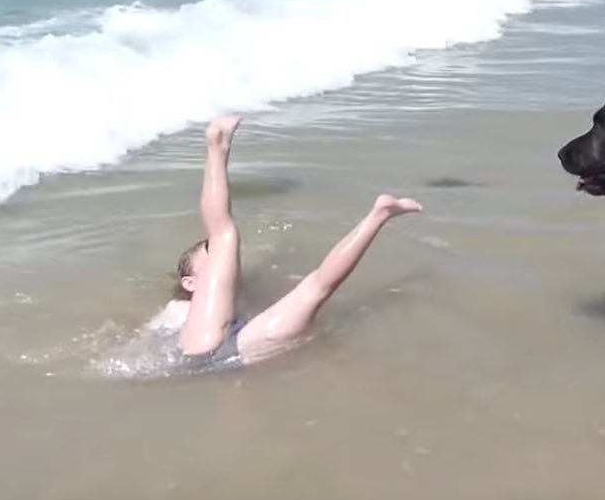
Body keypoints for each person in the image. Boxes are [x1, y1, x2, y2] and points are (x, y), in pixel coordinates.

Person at [152, 115, 422, 369]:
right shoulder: (179, 308)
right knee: (223, 235)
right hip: (204, 348)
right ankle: (216, 146)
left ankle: (379, 216)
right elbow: (149, 344)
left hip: (246, 349)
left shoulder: (229, 303)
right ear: (190, 282)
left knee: (319, 287)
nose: (223, 263)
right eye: (209, 254)